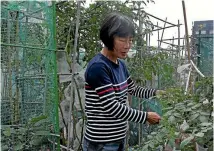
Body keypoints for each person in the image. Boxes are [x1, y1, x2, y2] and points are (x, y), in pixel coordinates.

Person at [83, 12, 163, 151]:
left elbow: (133, 89)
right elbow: (112, 107)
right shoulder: (98, 67)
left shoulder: (120, 65)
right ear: (109, 37)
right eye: (122, 40)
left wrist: (157, 93)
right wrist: (145, 117)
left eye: (130, 40)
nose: (127, 45)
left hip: (118, 138)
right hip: (101, 143)